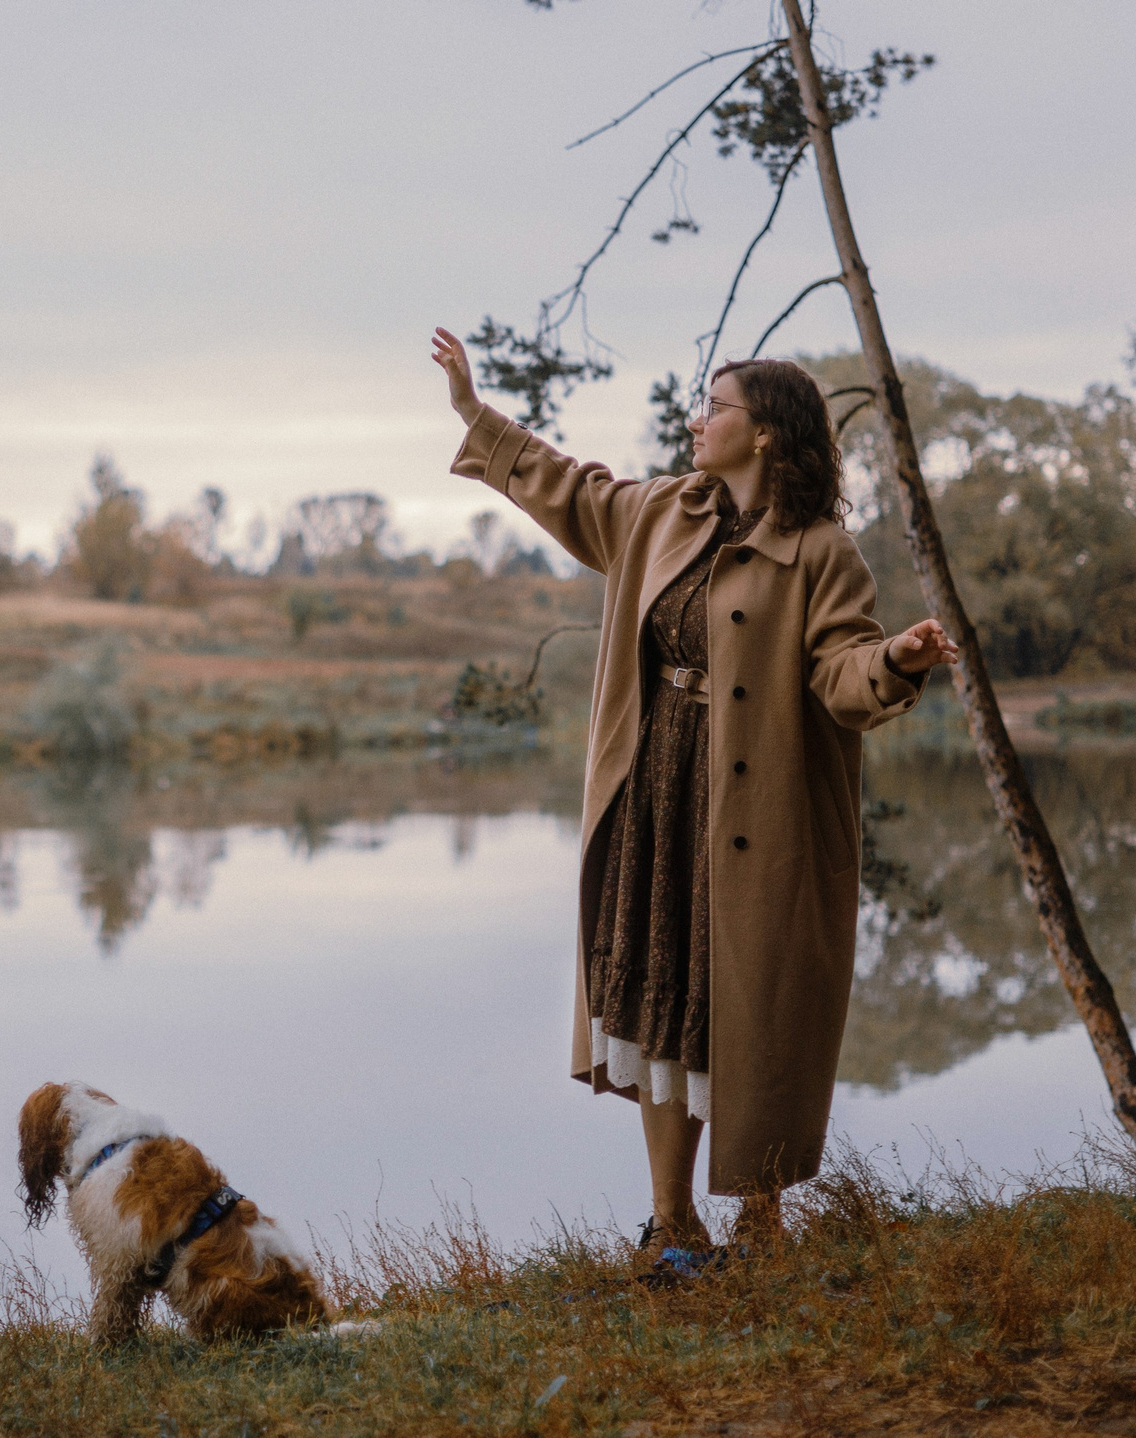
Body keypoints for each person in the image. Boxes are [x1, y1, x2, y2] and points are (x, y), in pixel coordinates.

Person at [429, 327, 959, 1254]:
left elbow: (841, 678)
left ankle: (762, 1220)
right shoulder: (661, 512)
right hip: (657, 794)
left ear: (764, 435)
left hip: (757, 811)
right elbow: (571, 486)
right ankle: (671, 1225)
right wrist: (479, 416)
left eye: (715, 408)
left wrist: (894, 661)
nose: (697, 420)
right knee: (663, 999)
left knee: (747, 1004)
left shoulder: (823, 553)